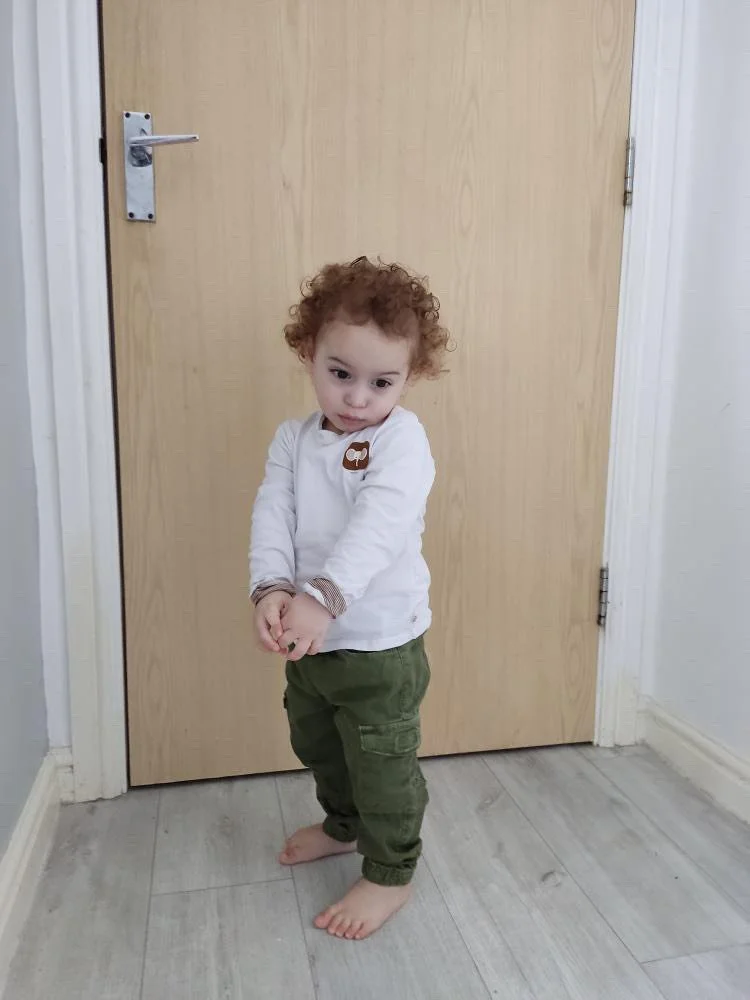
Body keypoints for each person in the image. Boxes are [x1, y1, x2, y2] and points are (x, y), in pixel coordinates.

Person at [249, 256, 449, 940]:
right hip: (309, 642)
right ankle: (344, 825)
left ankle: (391, 870)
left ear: (409, 378)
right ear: (309, 352)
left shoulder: (403, 440)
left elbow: (379, 527)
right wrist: (273, 589)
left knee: (380, 760)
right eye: (341, 374)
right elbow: (273, 516)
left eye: (381, 382)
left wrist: (322, 598)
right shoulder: (293, 440)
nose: (359, 398)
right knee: (319, 742)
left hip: (379, 646)